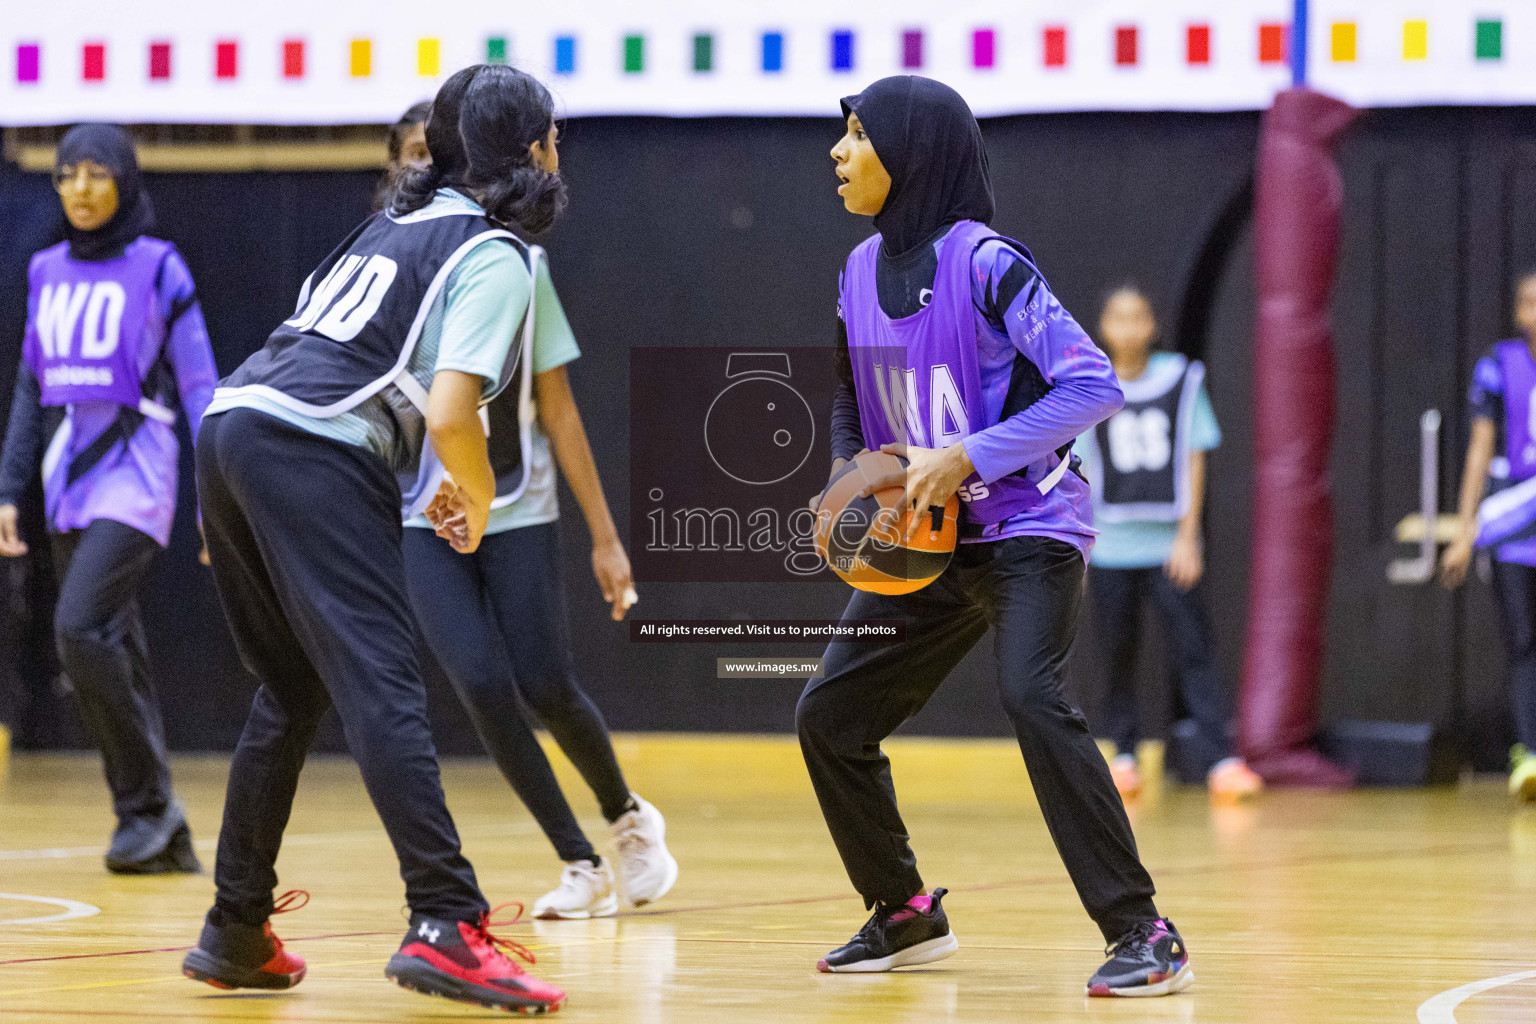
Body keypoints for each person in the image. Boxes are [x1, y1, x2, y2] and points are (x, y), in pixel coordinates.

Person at [178, 66, 568, 1013]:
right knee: (385, 684)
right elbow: (448, 413)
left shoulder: (389, 225)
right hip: (306, 449)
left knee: (294, 685)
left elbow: (371, 379)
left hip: (232, 426)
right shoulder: (497, 253)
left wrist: (438, 481)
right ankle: (445, 920)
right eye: (555, 136)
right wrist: (471, 495)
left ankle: (235, 928)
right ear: (531, 153)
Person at [796, 76, 1191, 997]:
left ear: (914, 152)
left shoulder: (987, 263)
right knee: (829, 715)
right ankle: (903, 912)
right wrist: (858, 477)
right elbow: (850, 400)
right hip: (930, 541)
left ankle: (1145, 931)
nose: (838, 151)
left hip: (1030, 526)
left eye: (857, 134)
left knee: (1031, 692)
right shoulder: (856, 271)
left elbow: (1092, 385)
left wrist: (968, 456)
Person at [394, 135, 675, 919]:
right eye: (411, 151)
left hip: (516, 503)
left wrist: (606, 537)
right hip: (425, 511)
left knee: (545, 684)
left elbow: (557, 407)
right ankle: (578, 862)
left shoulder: (517, 263)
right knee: (481, 686)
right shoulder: (388, 266)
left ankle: (627, 816)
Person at [0, 124, 216, 874]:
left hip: (139, 475)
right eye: (66, 175)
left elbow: (200, 388)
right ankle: (158, 827)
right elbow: (33, 385)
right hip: (68, 482)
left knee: (81, 628)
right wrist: (7, 486)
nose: (81, 188)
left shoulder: (160, 268)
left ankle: (147, 805)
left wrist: (213, 501)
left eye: (97, 173)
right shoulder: (46, 269)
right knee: (115, 641)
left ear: (124, 181)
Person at [1073, 286, 1262, 802]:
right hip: (1110, 546)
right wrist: (1080, 544)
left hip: (1165, 547)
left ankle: (1221, 758)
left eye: (1139, 317)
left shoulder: (1181, 379)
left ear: (1152, 325)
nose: (1129, 328)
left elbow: (1195, 454)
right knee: (1115, 652)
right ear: (1103, 327)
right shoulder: (1087, 383)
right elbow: (1079, 468)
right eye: (1118, 317)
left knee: (1194, 649)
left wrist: (1187, 535)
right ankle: (1125, 753)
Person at [1441, 269, 1536, 802]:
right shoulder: (1499, 366)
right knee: (1523, 642)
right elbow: (1480, 448)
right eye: (1528, 302)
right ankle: (1530, 753)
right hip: (1517, 522)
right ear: (1518, 312)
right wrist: (1463, 527)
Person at [373, 100, 432, 213]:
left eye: (442, 156)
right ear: (394, 164)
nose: (431, 167)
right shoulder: (380, 228)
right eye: (419, 155)